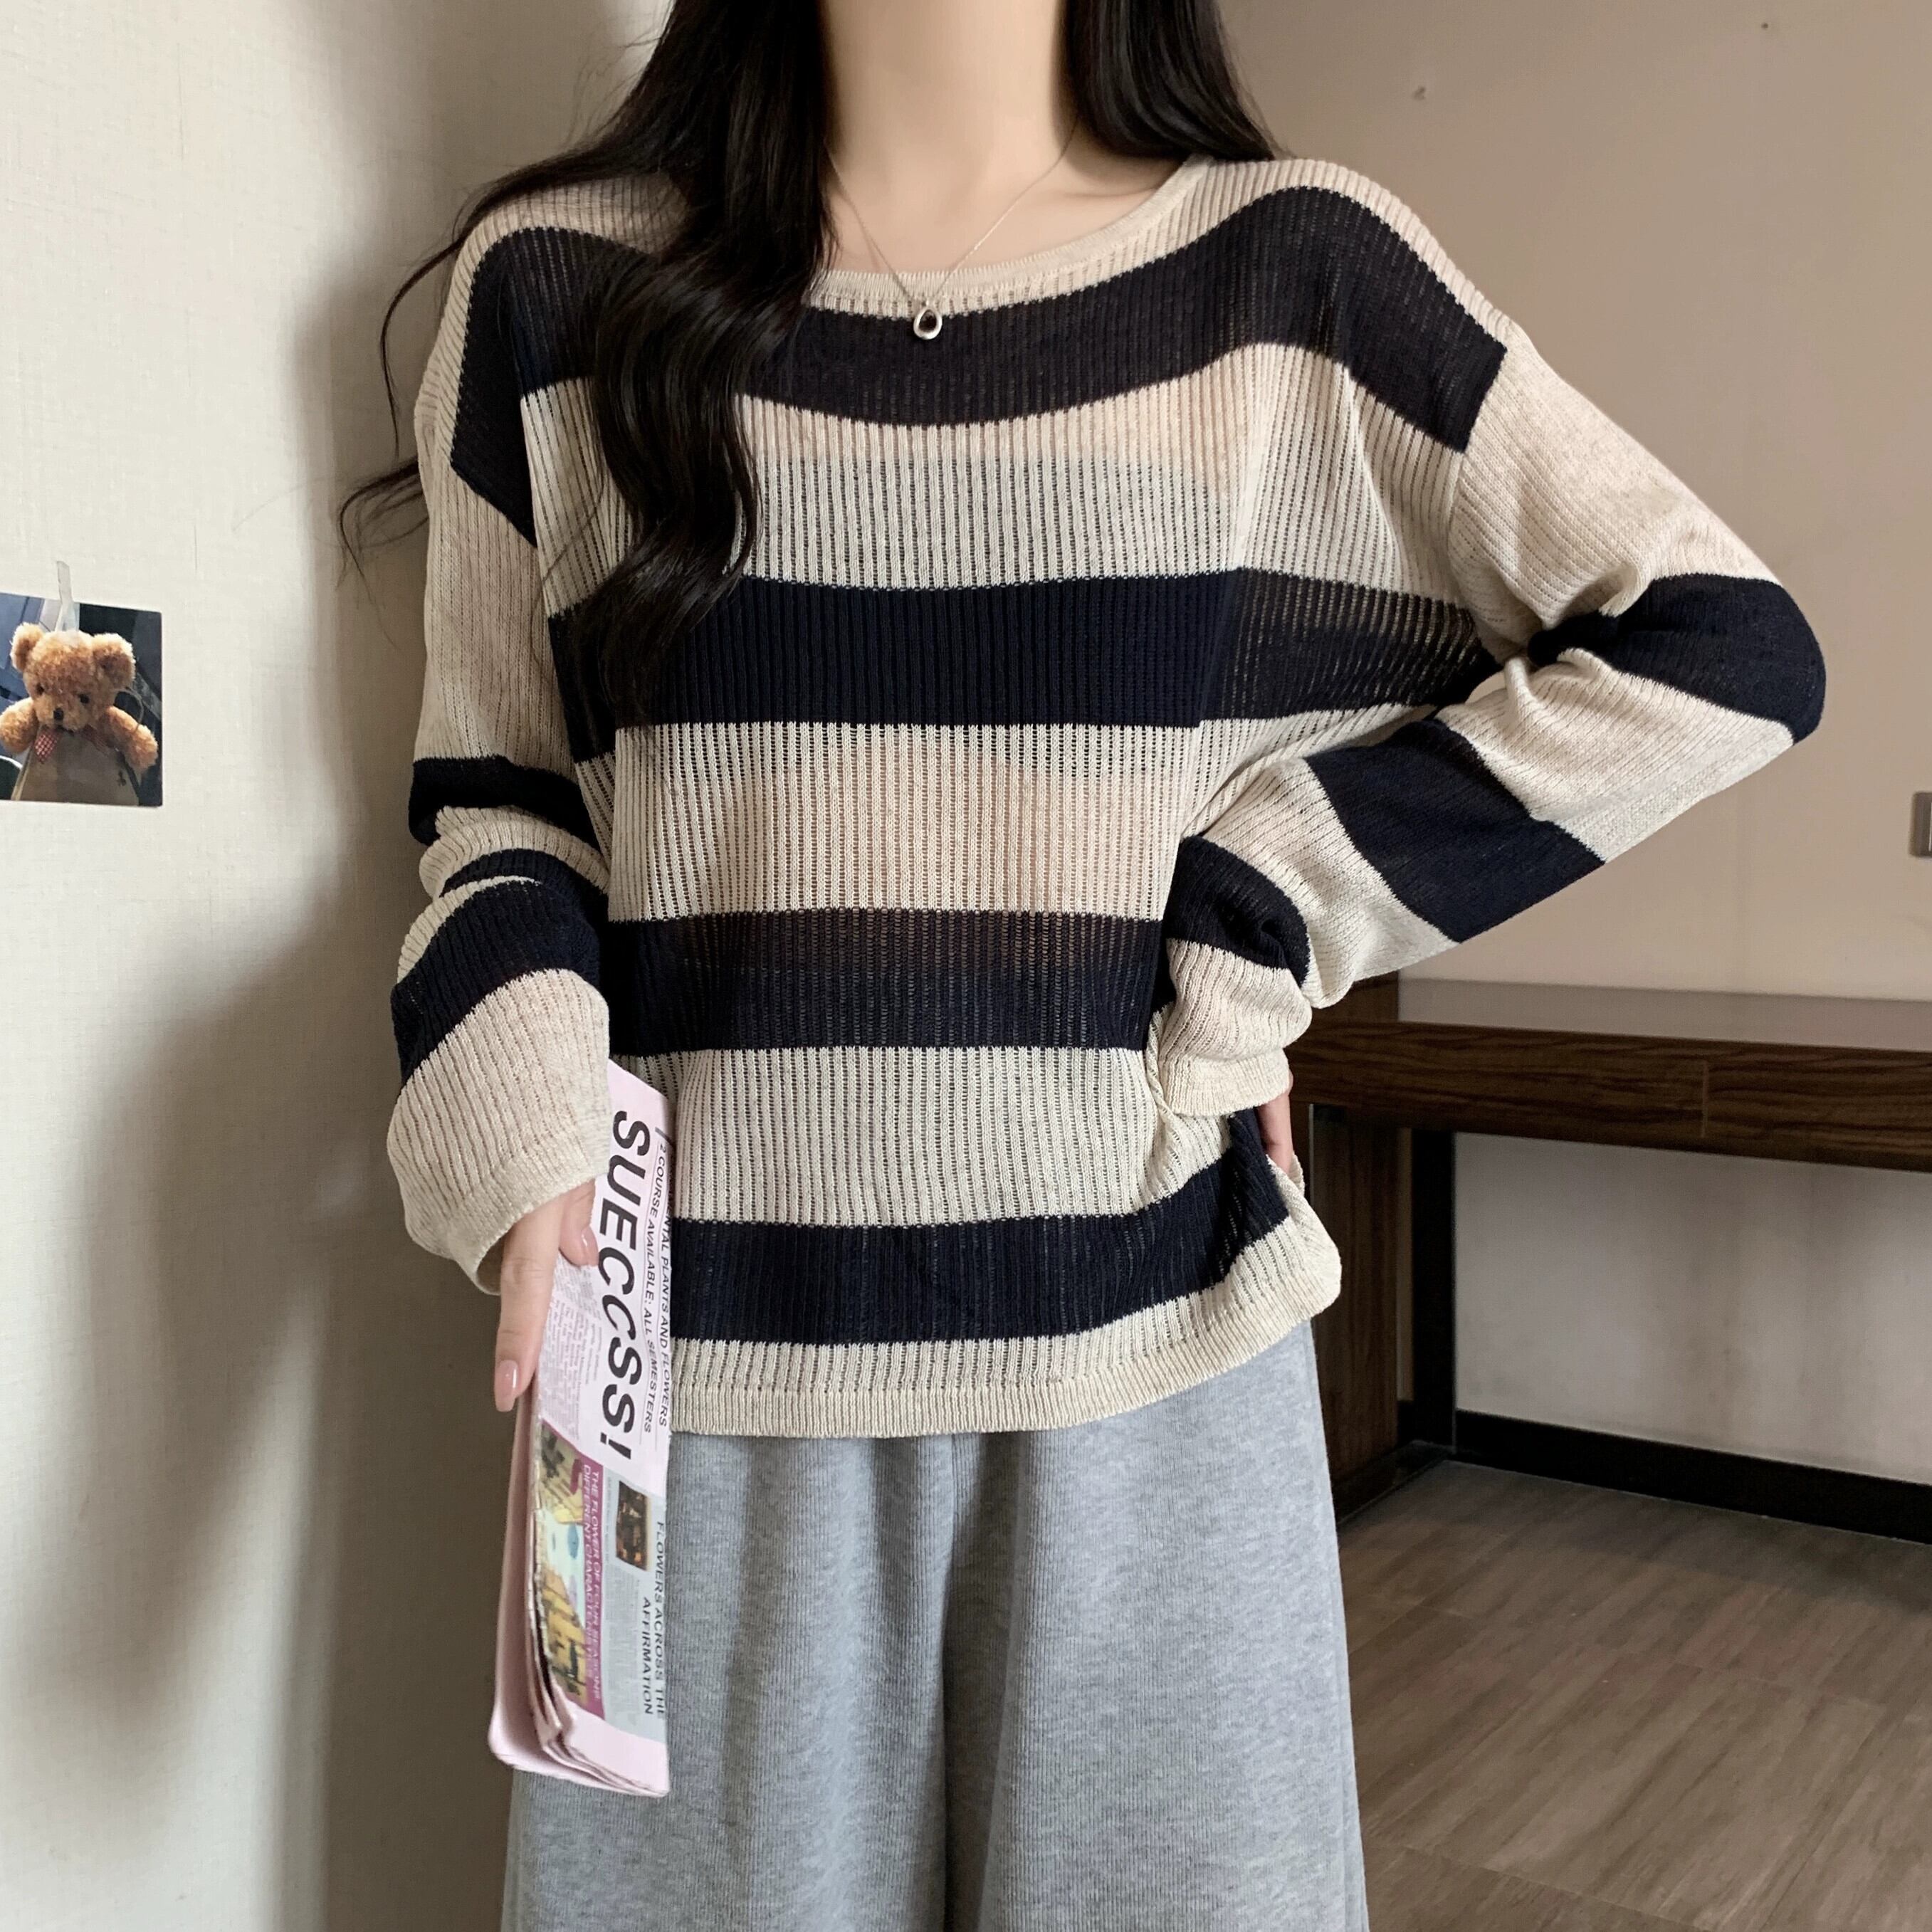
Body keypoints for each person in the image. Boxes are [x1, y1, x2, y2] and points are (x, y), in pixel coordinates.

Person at [350, 0, 1827, 1925]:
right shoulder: (555, 294)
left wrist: (1267, 904)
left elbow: (1713, 644)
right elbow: (498, 803)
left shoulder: (1292, 274)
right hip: (698, 1383)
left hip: (1158, 1358)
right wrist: (520, 1093)